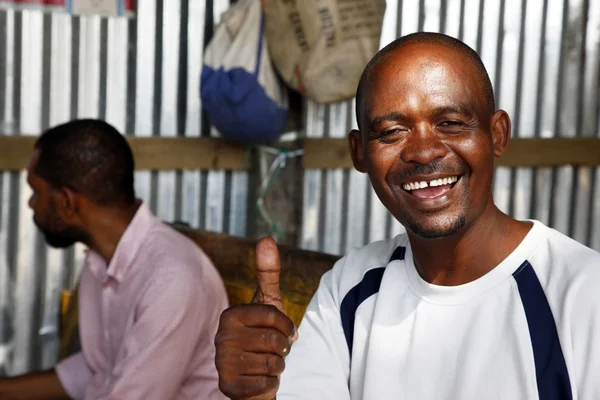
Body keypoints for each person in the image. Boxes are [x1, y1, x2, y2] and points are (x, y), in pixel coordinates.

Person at [214, 32, 600, 399]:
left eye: (450, 123)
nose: (424, 151)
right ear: (359, 151)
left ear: (497, 134)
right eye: (391, 132)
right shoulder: (349, 289)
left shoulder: (583, 296)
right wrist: (260, 396)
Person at [0, 119, 229, 399]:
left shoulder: (171, 280)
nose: (30, 204)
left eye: (36, 192)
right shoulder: (100, 262)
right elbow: (97, 371)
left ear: (68, 203)